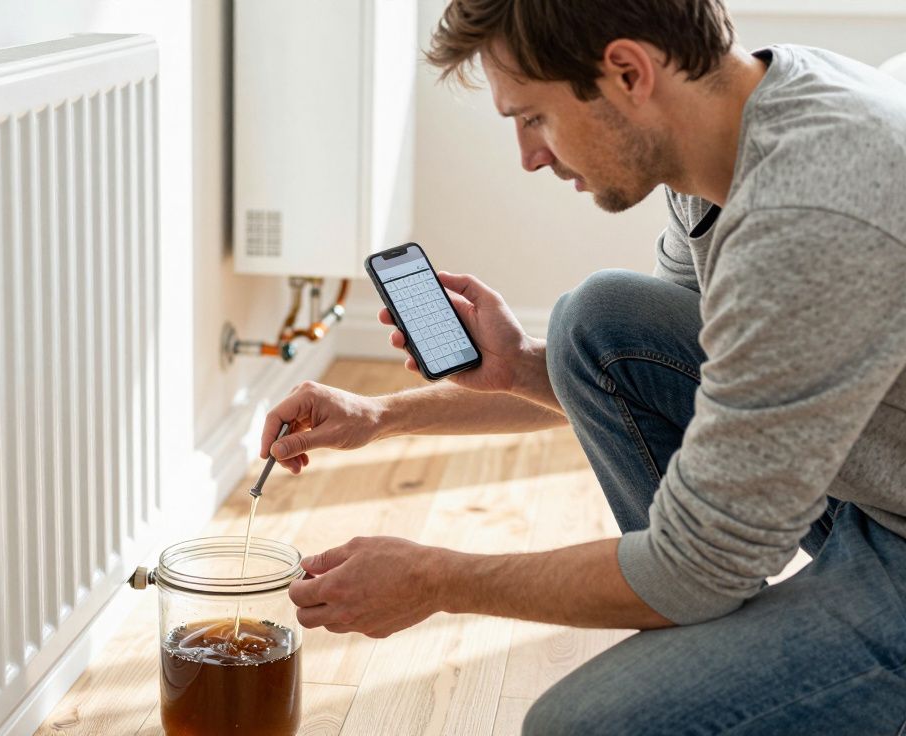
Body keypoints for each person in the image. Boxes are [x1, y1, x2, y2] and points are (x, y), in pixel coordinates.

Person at [260, 0, 906, 732]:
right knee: (600, 323)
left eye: (532, 117)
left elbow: (696, 565)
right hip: (873, 476)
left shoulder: (810, 216)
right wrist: (392, 412)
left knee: (582, 726)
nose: (529, 155)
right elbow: (666, 381)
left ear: (628, 72)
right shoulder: (739, 126)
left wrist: (433, 578)